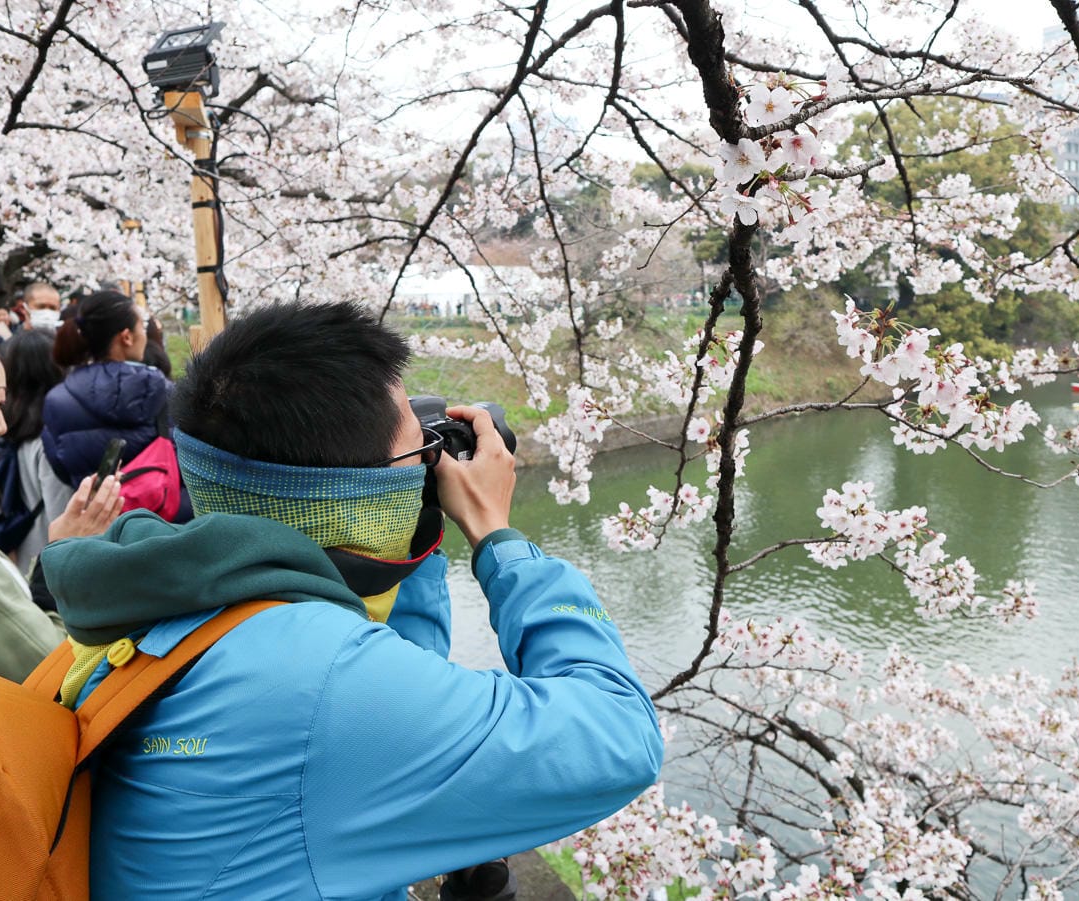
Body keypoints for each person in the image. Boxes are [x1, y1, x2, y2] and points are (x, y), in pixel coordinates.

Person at [40, 300, 663, 899]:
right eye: (418, 449)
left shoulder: (158, 597)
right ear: (357, 495)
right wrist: (498, 538)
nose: (430, 462)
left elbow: (387, 665)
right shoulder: (323, 686)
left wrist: (411, 526)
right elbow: (620, 734)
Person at [0, 342, 123, 682]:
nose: (1, 425)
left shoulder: (22, 437)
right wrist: (65, 556)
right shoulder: (44, 442)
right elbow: (51, 665)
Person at [42, 289, 167, 486]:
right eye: (141, 326)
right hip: (160, 512)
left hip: (95, 511)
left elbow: (59, 464)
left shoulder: (57, 400)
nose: (145, 333)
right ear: (126, 337)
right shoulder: (162, 390)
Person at [1, 329, 75, 575]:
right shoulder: (48, 441)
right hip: (46, 574)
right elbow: (62, 519)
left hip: (11, 569)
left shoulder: (3, 433)